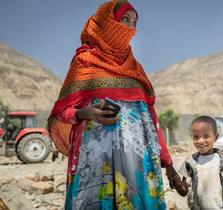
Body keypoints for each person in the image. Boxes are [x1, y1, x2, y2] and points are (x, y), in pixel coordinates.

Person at [48, 1, 187, 209]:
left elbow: (151, 120)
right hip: (95, 167)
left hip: (138, 169)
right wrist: (84, 113)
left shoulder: (136, 69)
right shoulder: (84, 62)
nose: (129, 28)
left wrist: (169, 166)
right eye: (124, 20)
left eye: (134, 23)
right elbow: (59, 114)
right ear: (107, 22)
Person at [178, 116, 223, 210]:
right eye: (196, 137)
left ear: (216, 137)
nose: (200, 141)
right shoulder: (189, 163)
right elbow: (184, 192)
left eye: (206, 136)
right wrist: (177, 185)